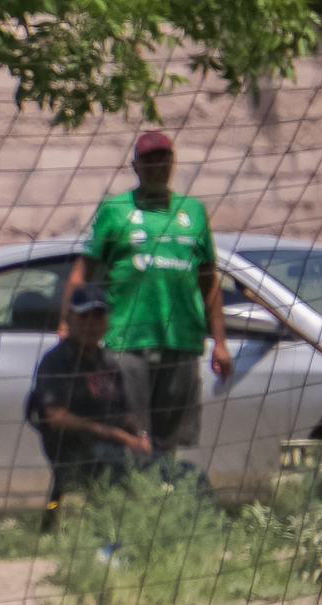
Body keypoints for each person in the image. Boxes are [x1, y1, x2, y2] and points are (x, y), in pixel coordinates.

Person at [65, 130, 233, 456]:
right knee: (130, 436)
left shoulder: (193, 211)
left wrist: (221, 343)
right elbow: (81, 272)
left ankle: (162, 497)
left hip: (181, 341)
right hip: (126, 340)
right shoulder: (116, 209)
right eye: (149, 159)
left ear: (173, 163)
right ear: (135, 166)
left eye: (163, 158)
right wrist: (66, 327)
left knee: (168, 443)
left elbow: (209, 281)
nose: (157, 166)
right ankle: (131, 498)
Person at [29, 284, 152, 518]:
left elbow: (123, 411)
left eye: (98, 316)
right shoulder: (56, 361)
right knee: (116, 464)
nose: (92, 323)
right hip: (76, 449)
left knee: (177, 469)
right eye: (85, 316)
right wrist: (114, 434)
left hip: (114, 446)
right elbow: (55, 417)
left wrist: (139, 434)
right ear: (70, 318)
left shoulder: (107, 361)